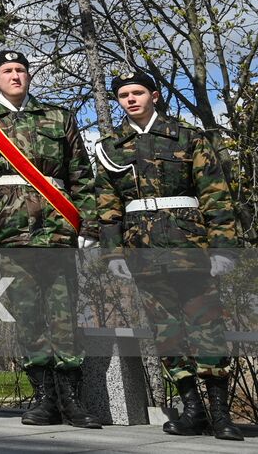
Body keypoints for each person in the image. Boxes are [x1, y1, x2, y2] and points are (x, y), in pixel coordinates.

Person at [95, 69, 243, 442]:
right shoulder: (112, 146)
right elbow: (108, 205)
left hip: (190, 246)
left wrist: (223, 247)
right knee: (166, 331)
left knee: (206, 326)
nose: (131, 99)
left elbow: (216, 194)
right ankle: (191, 409)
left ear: (155, 95)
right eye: (124, 94)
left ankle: (221, 413)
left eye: (138, 92)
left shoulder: (187, 137)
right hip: (142, 251)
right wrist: (113, 254)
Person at [0, 50, 101, 429]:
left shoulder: (58, 117)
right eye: (7, 71)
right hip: (9, 231)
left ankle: (73, 399)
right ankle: (44, 398)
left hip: (57, 230)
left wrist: (88, 225)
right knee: (27, 315)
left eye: (21, 69)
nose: (16, 76)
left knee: (64, 313)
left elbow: (80, 174)